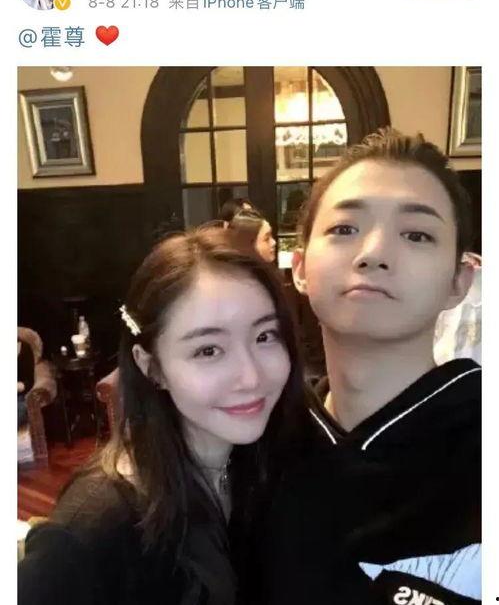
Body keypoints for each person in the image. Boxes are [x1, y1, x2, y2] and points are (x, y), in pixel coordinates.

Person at [18, 227, 307, 605]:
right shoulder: (93, 527)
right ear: (151, 367)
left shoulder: (261, 465)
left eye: (265, 336)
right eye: (208, 350)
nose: (252, 377)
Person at [259, 128, 481, 605]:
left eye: (417, 234)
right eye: (344, 229)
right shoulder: (259, 439)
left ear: (459, 281)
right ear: (300, 267)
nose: (374, 253)